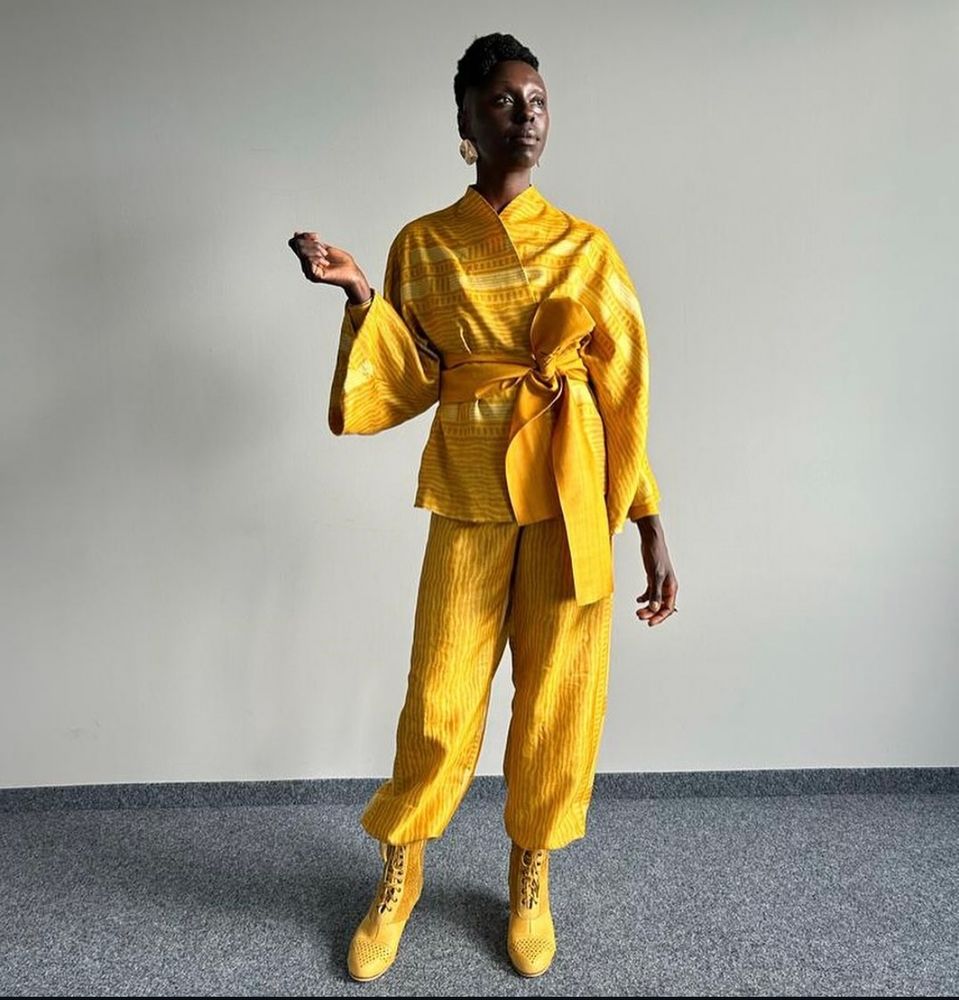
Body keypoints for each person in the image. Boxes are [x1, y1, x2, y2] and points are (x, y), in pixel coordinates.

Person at [289, 31, 679, 982]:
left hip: (571, 497)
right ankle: (402, 868)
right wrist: (358, 297)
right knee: (440, 697)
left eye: (538, 99)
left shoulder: (588, 248)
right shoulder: (423, 244)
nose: (526, 115)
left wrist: (650, 521)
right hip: (469, 493)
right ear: (464, 119)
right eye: (504, 101)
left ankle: (530, 871)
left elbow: (621, 396)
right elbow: (412, 374)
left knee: (557, 699)